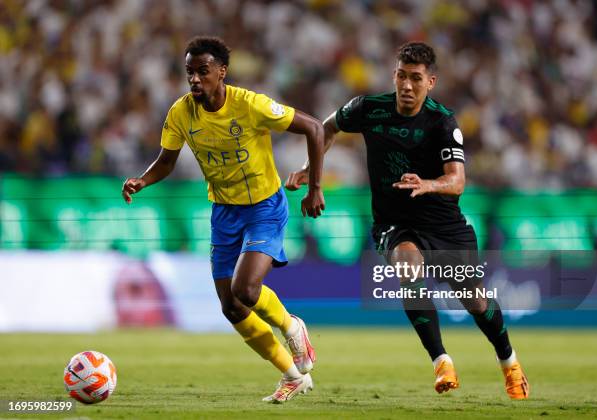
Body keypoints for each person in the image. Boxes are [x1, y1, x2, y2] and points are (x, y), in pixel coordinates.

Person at [286, 42, 529, 400]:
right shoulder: (369, 108)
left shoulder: (442, 121)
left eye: (416, 78)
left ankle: (509, 360)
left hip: (444, 225)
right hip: (394, 222)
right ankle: (441, 360)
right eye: (401, 75)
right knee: (407, 267)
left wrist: (428, 184)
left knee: (474, 301)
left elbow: (457, 180)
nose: (407, 85)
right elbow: (327, 128)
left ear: (431, 82)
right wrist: (311, 170)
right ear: (394, 75)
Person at [122, 36, 325, 403]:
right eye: (189, 73)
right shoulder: (181, 113)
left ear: (222, 72)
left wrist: (315, 188)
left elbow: (314, 127)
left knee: (245, 291)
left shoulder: (251, 105)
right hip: (224, 212)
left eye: (203, 71)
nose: (195, 80)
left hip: (265, 206)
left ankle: (292, 326)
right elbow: (166, 161)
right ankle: (292, 376)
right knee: (231, 307)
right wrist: (143, 180)